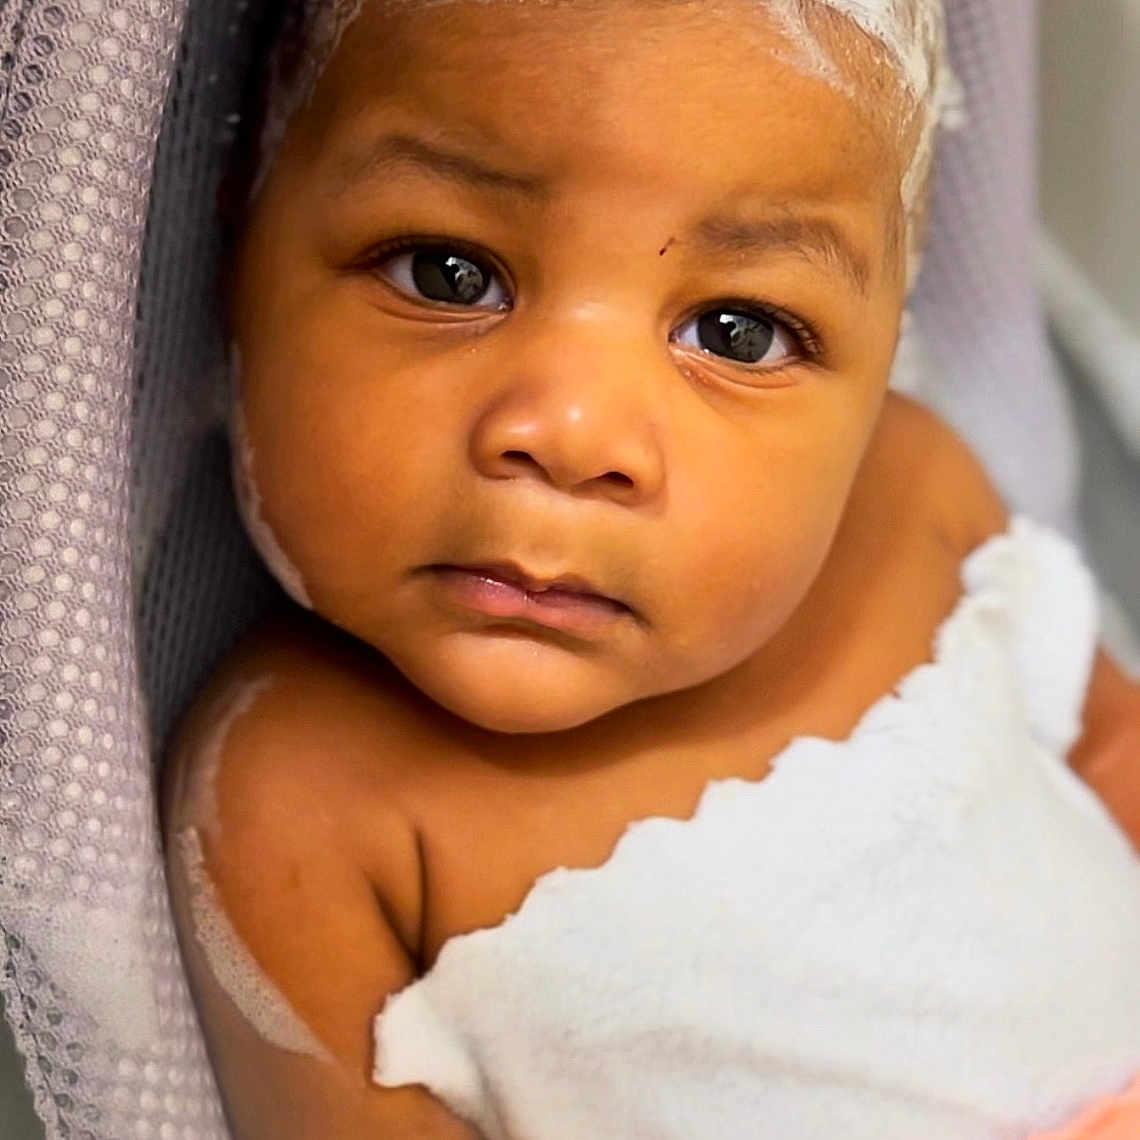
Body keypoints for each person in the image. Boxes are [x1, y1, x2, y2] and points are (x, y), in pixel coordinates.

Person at [160, 1, 1140, 1136]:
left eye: (736, 332)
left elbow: (1108, 738)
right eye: (447, 273)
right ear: (239, 241)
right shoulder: (293, 806)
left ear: (883, 354)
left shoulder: (911, 494)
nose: (572, 435)